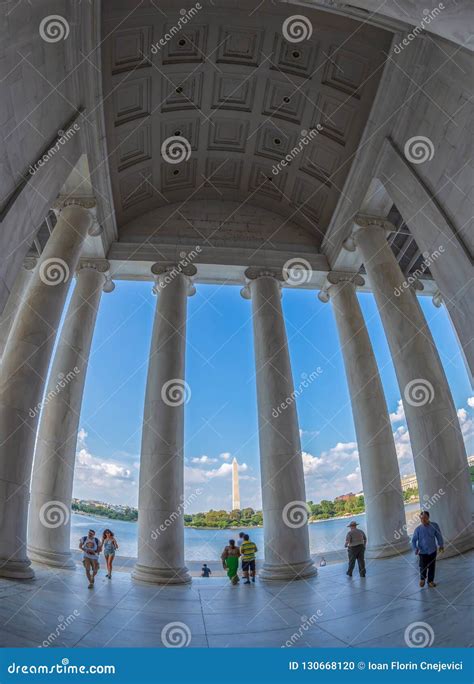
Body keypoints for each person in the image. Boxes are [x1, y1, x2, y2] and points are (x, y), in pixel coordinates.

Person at [411, 510, 444, 587]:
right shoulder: (418, 529)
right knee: (423, 566)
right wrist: (415, 548)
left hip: (432, 550)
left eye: (425, 518)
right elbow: (413, 540)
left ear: (428, 517)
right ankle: (422, 579)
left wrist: (441, 545)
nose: (423, 520)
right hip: (422, 552)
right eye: (421, 518)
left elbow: (439, 535)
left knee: (432, 566)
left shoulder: (434, 526)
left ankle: (430, 581)